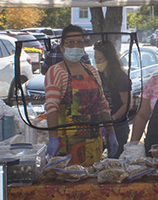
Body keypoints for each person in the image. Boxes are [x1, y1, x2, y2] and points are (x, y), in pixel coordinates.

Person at [45, 25, 118, 165]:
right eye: (70, 43)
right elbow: (51, 107)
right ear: (62, 47)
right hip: (67, 145)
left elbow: (103, 104)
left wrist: (111, 132)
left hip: (94, 143)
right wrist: (53, 138)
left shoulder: (92, 71)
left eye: (79, 42)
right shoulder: (56, 72)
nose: (75, 46)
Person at [93, 40, 131, 158]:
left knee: (115, 160)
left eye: (100, 59)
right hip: (100, 125)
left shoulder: (120, 77)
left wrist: (110, 120)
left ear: (109, 59)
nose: (97, 62)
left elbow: (127, 104)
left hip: (118, 126)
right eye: (95, 59)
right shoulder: (97, 75)